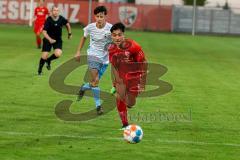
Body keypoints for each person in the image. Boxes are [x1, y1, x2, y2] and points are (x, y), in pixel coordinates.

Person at [108, 22, 147, 129]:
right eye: (114, 35)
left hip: (135, 78)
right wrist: (115, 84)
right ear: (111, 36)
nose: (117, 37)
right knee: (120, 98)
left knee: (130, 103)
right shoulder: (111, 49)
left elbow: (143, 63)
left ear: (123, 35)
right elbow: (115, 67)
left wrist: (143, 83)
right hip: (122, 79)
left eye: (119, 35)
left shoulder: (133, 46)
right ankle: (125, 124)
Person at [75, 6, 112, 115]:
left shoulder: (111, 28)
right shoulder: (90, 27)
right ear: (95, 16)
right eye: (97, 16)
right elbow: (84, 38)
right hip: (92, 55)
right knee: (96, 81)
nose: (99, 18)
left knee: (94, 82)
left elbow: (117, 40)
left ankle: (84, 87)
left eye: (101, 16)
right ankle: (98, 106)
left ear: (105, 16)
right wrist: (78, 51)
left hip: (105, 59)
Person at [37, 5, 72, 75]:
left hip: (58, 39)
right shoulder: (48, 19)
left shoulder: (61, 19)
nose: (56, 12)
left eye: (57, 10)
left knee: (58, 54)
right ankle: (40, 70)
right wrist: (50, 39)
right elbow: (44, 32)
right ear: (51, 11)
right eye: (54, 10)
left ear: (59, 12)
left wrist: (69, 33)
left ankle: (49, 60)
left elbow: (67, 24)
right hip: (48, 39)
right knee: (44, 56)